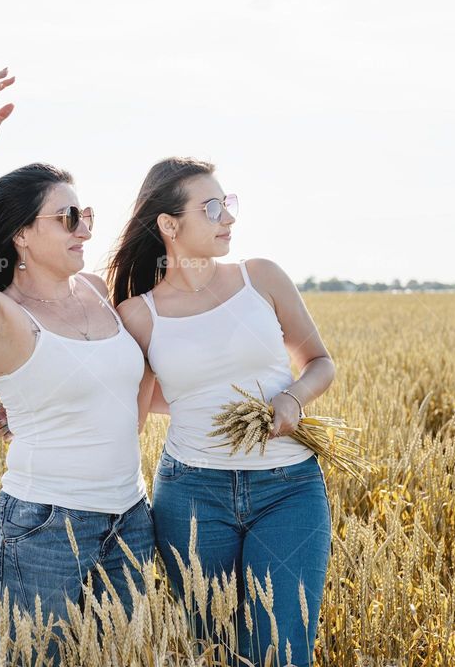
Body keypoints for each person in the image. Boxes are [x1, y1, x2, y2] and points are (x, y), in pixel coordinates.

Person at [0, 67, 155, 663]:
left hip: (131, 516)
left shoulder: (101, 294)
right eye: (66, 217)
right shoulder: (1, 318)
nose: (83, 227)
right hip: (46, 527)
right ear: (23, 236)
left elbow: (134, 387)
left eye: (86, 215)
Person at [109, 156, 336, 667]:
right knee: (215, 651)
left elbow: (320, 363)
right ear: (169, 225)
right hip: (191, 498)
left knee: (282, 649)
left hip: (288, 490)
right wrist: (31, 415)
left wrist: (292, 398)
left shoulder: (262, 279)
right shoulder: (138, 314)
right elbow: (130, 405)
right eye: (212, 207)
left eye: (227, 203)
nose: (228, 217)